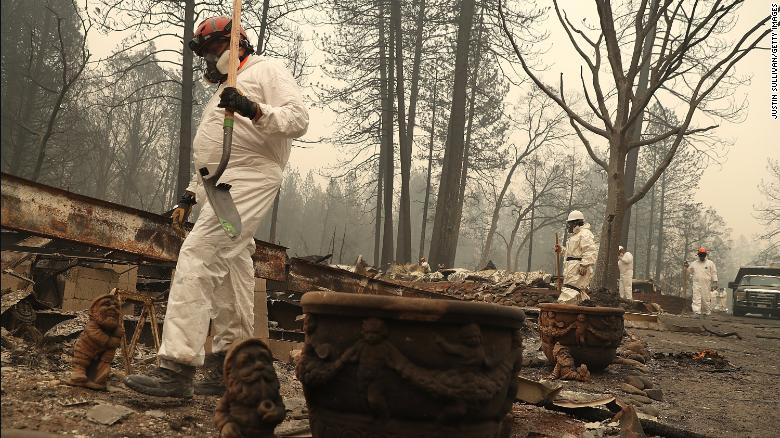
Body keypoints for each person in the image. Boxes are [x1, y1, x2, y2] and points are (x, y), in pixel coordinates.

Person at [124, 16, 308, 398]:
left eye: (212, 50)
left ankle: (176, 366)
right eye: (205, 53)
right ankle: (232, 365)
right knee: (232, 268)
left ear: (235, 44)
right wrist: (191, 194)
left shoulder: (266, 69)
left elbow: (298, 119)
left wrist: (253, 108)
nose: (209, 60)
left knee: (199, 256)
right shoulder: (225, 87)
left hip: (250, 177)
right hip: (219, 186)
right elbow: (214, 146)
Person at [554, 210, 597, 303]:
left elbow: (590, 250)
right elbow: (572, 254)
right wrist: (561, 250)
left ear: (576, 223)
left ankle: (563, 308)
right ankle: (584, 308)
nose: (568, 226)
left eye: (570, 224)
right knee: (577, 292)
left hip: (577, 269)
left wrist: (584, 264)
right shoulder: (575, 236)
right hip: (572, 268)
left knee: (570, 290)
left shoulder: (585, 234)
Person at [685, 247, 718, 318]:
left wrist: (715, 282)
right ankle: (697, 312)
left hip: (706, 284)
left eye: (703, 255)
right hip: (696, 283)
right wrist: (687, 266)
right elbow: (690, 271)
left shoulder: (710, 263)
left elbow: (714, 273)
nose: (702, 256)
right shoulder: (694, 263)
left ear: (705, 255)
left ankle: (706, 312)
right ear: (698, 255)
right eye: (700, 255)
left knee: (705, 298)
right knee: (696, 297)